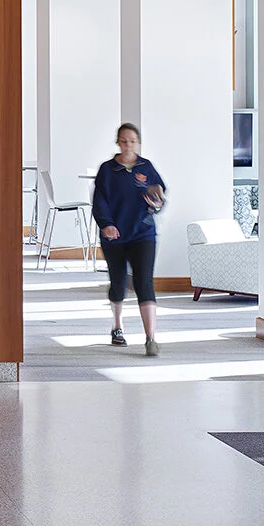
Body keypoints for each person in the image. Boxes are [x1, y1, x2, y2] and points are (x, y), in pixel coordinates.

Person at [92, 123, 166, 354]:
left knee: (145, 281)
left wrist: (158, 203)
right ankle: (117, 326)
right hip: (115, 235)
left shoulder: (146, 167)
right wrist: (107, 225)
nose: (128, 145)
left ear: (138, 142)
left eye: (132, 141)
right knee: (118, 282)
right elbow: (99, 201)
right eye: (124, 141)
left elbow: (159, 194)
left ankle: (150, 338)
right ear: (118, 142)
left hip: (143, 233)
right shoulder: (107, 170)